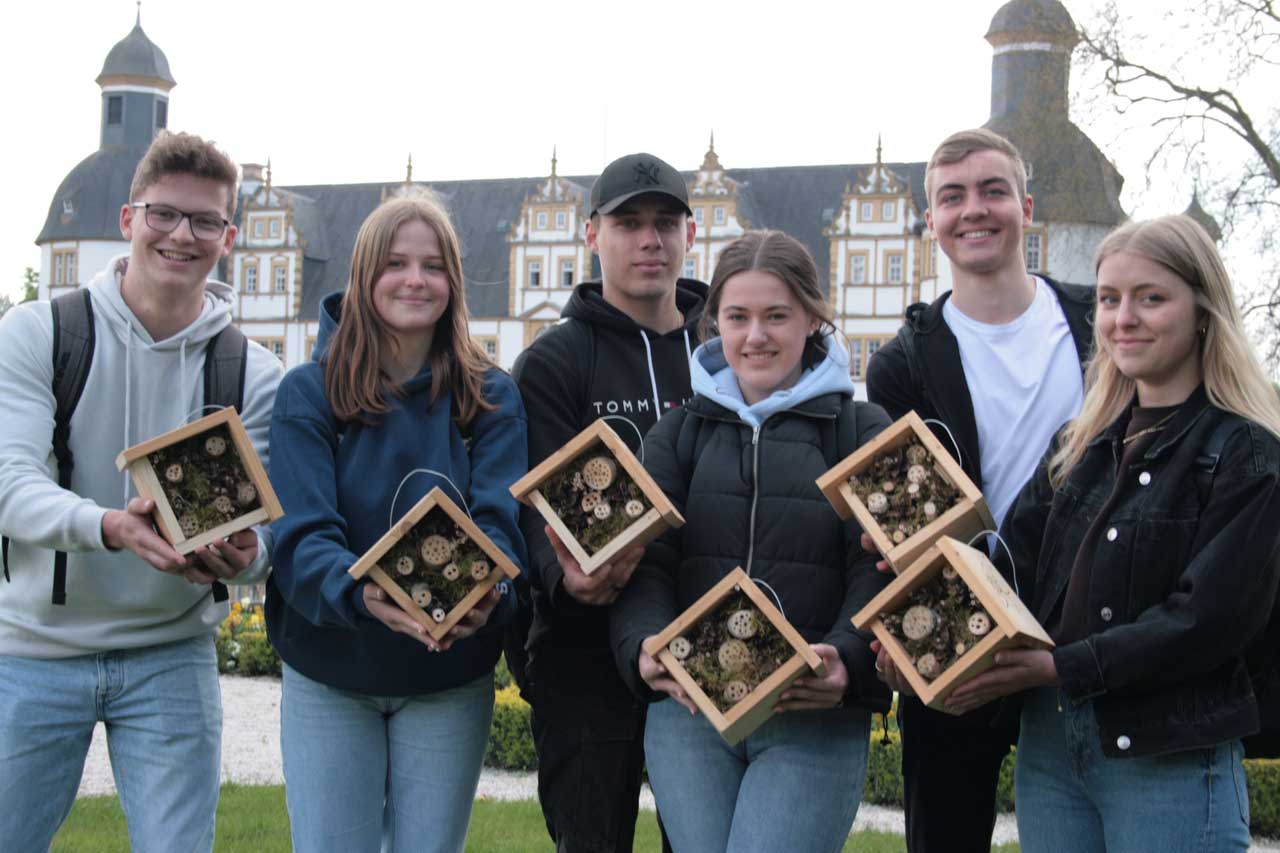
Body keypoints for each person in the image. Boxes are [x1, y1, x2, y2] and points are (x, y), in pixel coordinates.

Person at [909, 214, 1280, 851]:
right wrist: (921, 627)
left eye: (1151, 298)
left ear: (1202, 310)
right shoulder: (1078, 447)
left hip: (1166, 751)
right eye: (1109, 299)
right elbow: (1010, 566)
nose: (1122, 318)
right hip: (1051, 748)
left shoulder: (1244, 452)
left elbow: (1207, 622)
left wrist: (1060, 665)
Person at [0, 131, 283, 851]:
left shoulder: (251, 372)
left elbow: (266, 540)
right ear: (129, 220)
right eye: (164, 214)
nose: (182, 235)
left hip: (171, 654)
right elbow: (10, 485)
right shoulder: (41, 333)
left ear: (229, 237)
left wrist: (244, 554)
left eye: (205, 221)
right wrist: (108, 525)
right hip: (33, 648)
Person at [610, 229, 892, 852]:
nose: (755, 336)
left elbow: (877, 569)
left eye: (776, 316)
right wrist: (642, 649)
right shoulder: (677, 432)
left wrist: (844, 657)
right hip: (690, 717)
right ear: (715, 322)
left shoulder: (860, 429)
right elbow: (644, 562)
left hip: (812, 717)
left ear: (813, 318)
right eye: (737, 317)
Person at [265, 194, 527, 852]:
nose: (416, 279)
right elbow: (301, 537)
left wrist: (488, 594)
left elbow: (501, 526)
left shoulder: (491, 395)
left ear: (454, 283)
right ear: (364, 274)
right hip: (332, 668)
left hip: (446, 676)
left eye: (434, 266)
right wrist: (361, 594)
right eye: (397, 262)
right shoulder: (308, 391)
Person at [865, 127, 1094, 853]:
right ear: (930, 221)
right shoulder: (901, 361)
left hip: (1092, 610)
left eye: (993, 190)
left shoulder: (1099, 322)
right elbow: (902, 515)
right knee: (945, 837)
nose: (974, 210)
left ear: (1025, 206)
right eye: (952, 196)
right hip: (959, 622)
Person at [511, 152, 705, 852]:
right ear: (592, 234)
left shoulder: (725, 346)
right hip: (584, 655)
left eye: (665, 222)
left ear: (691, 232)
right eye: (629, 222)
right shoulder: (555, 359)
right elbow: (532, 503)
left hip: (704, 634)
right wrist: (562, 574)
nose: (649, 240)